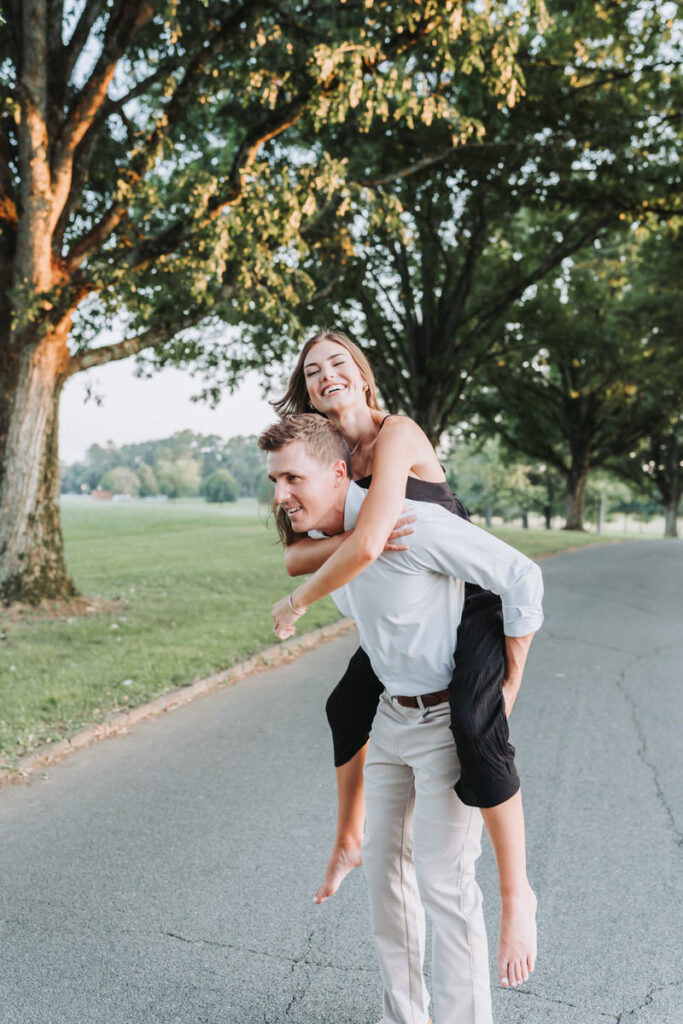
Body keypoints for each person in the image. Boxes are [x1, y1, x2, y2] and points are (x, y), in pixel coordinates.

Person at [270, 331, 537, 990]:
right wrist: (331, 547)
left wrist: (299, 597)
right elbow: (305, 548)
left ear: (361, 374)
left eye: (338, 362)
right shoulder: (326, 456)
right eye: (312, 371)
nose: (327, 374)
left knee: (477, 729)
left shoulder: (394, 435)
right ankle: (347, 838)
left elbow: (361, 543)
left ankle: (518, 893)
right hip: (407, 614)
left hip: (468, 596)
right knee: (345, 705)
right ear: (306, 391)